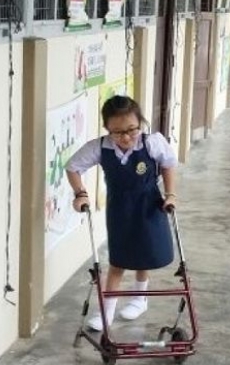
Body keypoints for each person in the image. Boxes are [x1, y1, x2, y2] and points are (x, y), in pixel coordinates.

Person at [65, 95, 178, 331]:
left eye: (131, 130)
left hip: (149, 204)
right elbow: (73, 167)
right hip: (120, 208)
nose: (125, 137)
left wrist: (170, 194)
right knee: (118, 259)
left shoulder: (151, 143)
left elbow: (168, 163)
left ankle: (140, 299)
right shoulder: (100, 147)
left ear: (140, 123)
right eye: (117, 132)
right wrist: (81, 193)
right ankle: (106, 312)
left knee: (144, 252)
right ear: (107, 128)